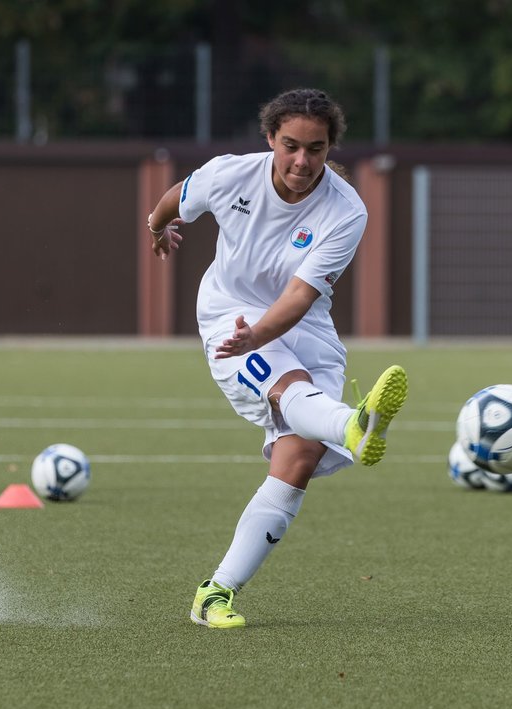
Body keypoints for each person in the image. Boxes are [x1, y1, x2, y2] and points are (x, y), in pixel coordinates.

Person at [145, 88, 407, 629]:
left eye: (315, 149)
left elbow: (297, 299)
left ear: (330, 148)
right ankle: (354, 425)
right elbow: (177, 196)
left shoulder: (346, 210)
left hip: (302, 327)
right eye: (290, 145)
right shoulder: (229, 174)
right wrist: (157, 225)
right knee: (289, 391)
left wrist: (260, 335)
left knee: (299, 459)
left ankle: (214, 594)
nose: (301, 162)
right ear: (269, 139)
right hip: (228, 315)